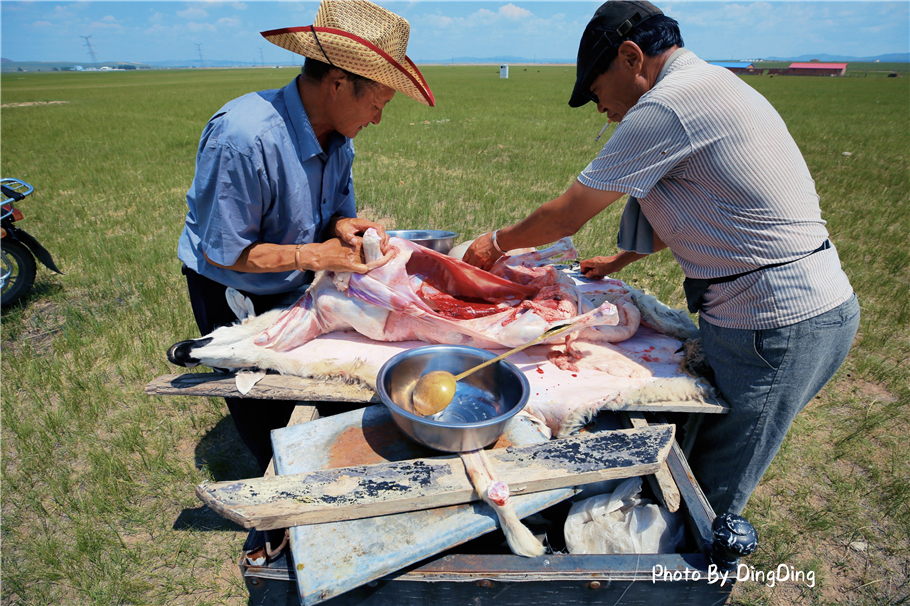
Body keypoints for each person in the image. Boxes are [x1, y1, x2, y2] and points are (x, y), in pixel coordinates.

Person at [463, 0, 858, 516]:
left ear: (631, 57)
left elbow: (565, 216)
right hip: (795, 314)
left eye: (598, 92)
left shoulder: (668, 105)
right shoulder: (710, 85)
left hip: (776, 325)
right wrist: (620, 261)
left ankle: (693, 588)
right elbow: (711, 203)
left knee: (712, 495)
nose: (602, 109)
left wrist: (495, 243)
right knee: (703, 458)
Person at [177, 0, 434, 481]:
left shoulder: (339, 133)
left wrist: (342, 226)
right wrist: (313, 254)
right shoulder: (243, 137)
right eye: (377, 103)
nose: (378, 118)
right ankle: (281, 506)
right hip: (235, 290)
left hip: (297, 282)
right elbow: (225, 250)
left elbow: (336, 207)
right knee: (263, 409)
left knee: (319, 394)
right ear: (338, 84)